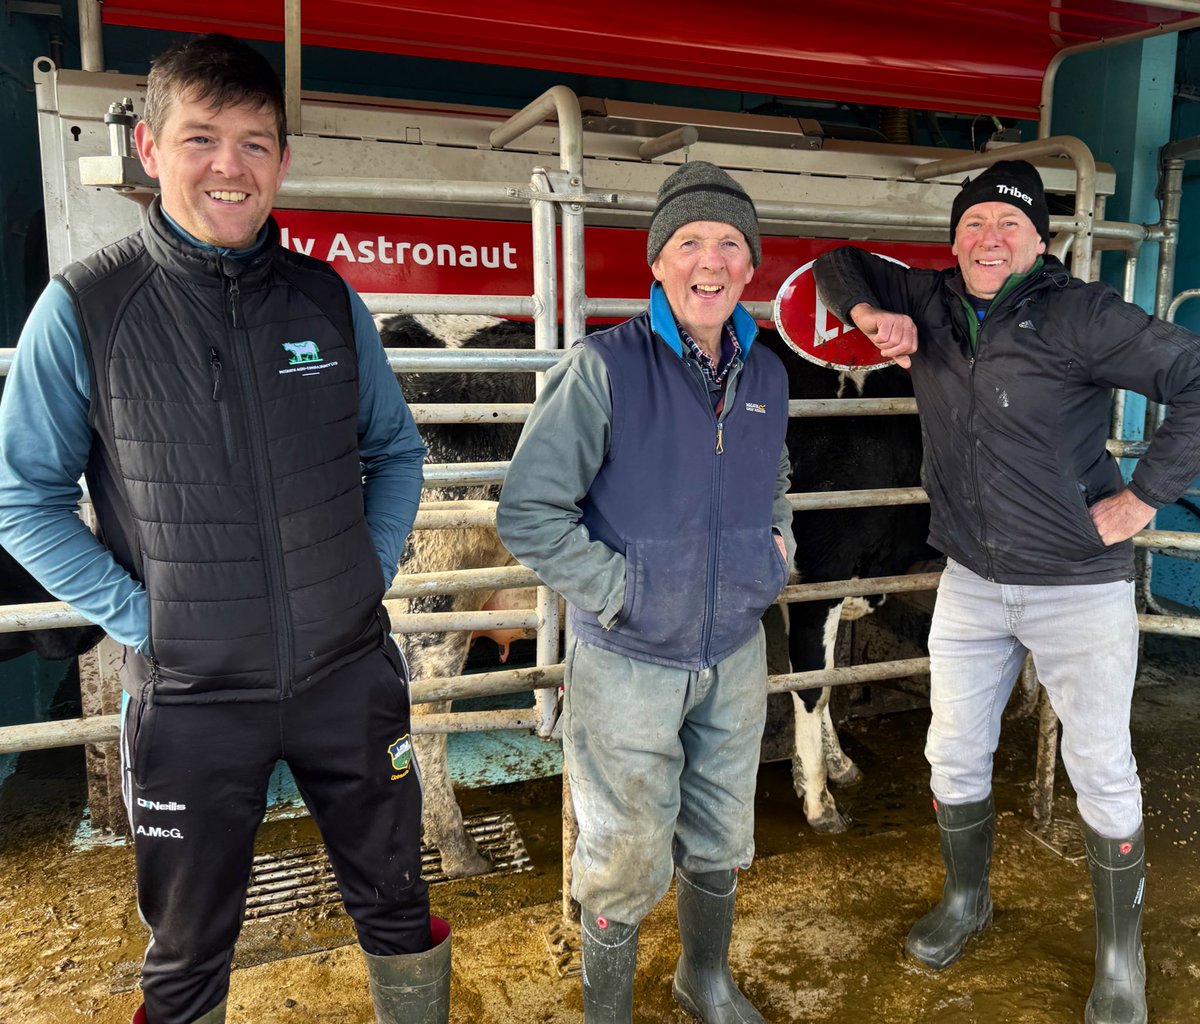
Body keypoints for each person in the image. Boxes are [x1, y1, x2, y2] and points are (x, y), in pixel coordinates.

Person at [0, 34, 448, 1024]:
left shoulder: (326, 301)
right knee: (189, 945)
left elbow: (397, 452)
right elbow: (20, 501)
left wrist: (358, 575)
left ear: (282, 161)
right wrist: (144, 618)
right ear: (150, 148)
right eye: (202, 138)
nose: (231, 166)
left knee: (399, 902)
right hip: (195, 700)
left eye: (256, 142)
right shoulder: (85, 309)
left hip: (349, 677)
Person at [813, 159, 1200, 1024]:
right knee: (951, 751)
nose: (990, 239)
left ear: (1040, 239)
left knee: (1099, 765)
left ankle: (1118, 958)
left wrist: (1142, 498)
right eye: (975, 224)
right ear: (954, 239)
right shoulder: (931, 297)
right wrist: (874, 313)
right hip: (973, 581)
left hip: (1076, 584)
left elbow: (1198, 377)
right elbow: (840, 263)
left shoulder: (1083, 314)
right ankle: (967, 900)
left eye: (1009, 226)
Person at [496, 161, 794, 1023]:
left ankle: (703, 979)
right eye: (691, 243)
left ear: (751, 266)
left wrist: (773, 555)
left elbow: (773, 480)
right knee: (624, 856)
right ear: (657, 263)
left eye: (731, 244)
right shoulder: (603, 368)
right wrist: (620, 590)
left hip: (734, 651)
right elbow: (531, 511)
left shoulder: (766, 376)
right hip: (627, 659)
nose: (712, 261)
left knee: (721, 835)